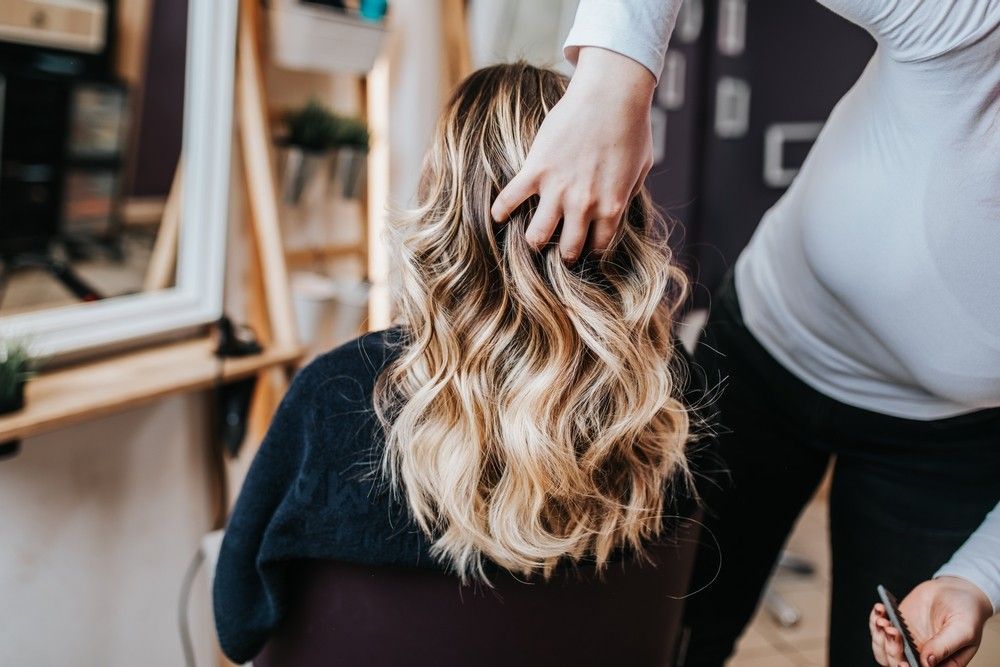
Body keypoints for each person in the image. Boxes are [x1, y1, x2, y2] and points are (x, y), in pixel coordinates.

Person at [496, 1, 1000, 665]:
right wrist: (612, 81)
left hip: (947, 445)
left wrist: (976, 578)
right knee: (678, 628)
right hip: (765, 356)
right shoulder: (970, 22)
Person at [213, 62, 703, 664]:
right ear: (615, 193)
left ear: (444, 198)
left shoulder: (339, 395)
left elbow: (238, 621)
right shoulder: (669, 387)